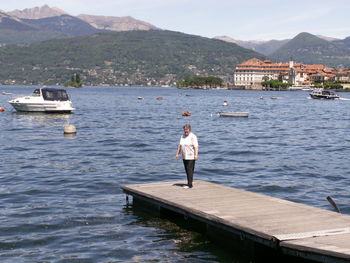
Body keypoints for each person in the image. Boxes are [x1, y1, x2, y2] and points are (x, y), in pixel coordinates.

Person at [175, 124, 199, 188]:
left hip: (191, 156)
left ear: (189, 129)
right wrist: (177, 153)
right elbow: (180, 146)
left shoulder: (193, 136)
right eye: (184, 130)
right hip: (184, 155)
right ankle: (190, 181)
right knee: (186, 169)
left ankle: (190, 184)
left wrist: (196, 155)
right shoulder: (182, 136)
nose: (185, 131)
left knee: (189, 169)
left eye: (187, 130)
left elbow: (196, 147)